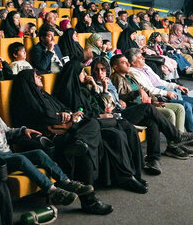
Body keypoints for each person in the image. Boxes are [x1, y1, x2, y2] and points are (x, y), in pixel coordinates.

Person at [0, 87, 95, 205]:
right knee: (21, 159)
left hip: (9, 155)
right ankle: (52, 191)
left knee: (39, 154)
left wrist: (23, 130)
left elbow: (8, 131)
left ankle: (66, 181)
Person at [9, 69, 113, 215]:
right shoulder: (25, 99)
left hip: (65, 133)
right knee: (87, 146)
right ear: (29, 81)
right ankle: (89, 201)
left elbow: (64, 109)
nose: (40, 77)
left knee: (91, 125)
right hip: (49, 140)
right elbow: (44, 118)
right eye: (35, 76)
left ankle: (80, 143)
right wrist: (63, 117)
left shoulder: (44, 94)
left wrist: (69, 114)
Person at [54, 61, 147, 193]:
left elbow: (98, 105)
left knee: (128, 129)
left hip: (100, 119)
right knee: (118, 135)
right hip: (89, 125)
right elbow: (77, 115)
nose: (85, 75)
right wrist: (98, 117)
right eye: (81, 72)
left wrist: (94, 88)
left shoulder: (83, 88)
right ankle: (125, 177)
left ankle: (136, 173)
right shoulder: (67, 93)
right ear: (74, 74)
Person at [110, 54, 193, 174]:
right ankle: (177, 136)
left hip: (138, 108)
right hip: (128, 111)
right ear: (115, 67)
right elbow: (120, 99)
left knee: (153, 123)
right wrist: (136, 93)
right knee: (148, 107)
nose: (128, 64)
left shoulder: (129, 76)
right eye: (123, 62)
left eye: (127, 61)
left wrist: (155, 101)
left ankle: (153, 160)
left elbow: (145, 91)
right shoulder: (116, 78)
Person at [125, 48, 193, 148]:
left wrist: (176, 86)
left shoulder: (146, 67)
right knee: (186, 105)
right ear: (133, 62)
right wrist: (166, 93)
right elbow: (148, 89)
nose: (143, 58)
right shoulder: (133, 72)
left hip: (165, 90)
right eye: (140, 57)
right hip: (158, 95)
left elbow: (160, 81)